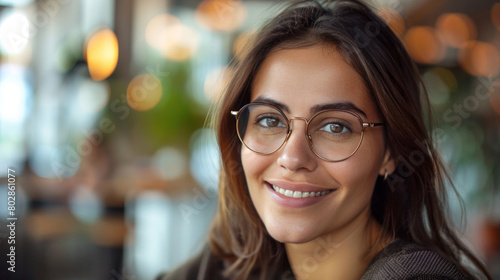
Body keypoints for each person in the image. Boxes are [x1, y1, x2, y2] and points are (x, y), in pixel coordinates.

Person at [157, 0, 492, 279]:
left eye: (335, 127)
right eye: (270, 120)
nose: (292, 157)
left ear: (391, 151)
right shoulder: (234, 262)